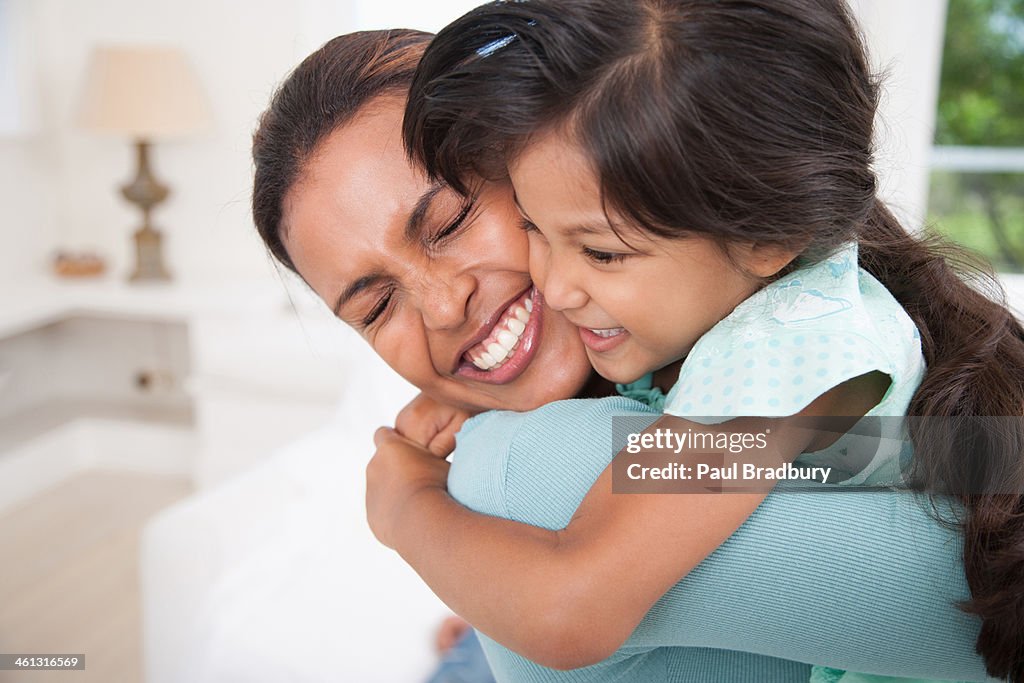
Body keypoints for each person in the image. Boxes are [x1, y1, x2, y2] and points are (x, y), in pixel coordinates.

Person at [251, 27, 992, 683]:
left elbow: (566, 607)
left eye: (448, 221)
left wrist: (408, 506)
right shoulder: (801, 314)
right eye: (376, 306)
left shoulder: (518, 469)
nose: (444, 308)